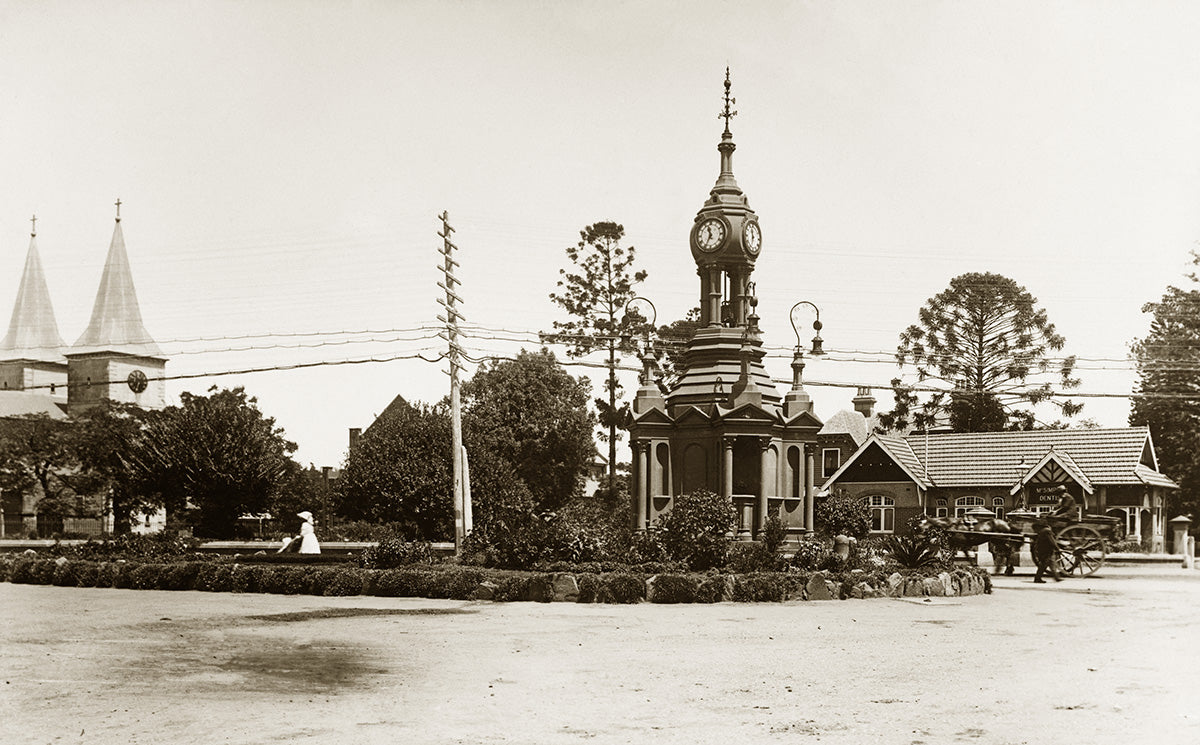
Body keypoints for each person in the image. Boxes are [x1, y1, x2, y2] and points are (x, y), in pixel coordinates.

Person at [1032, 519, 1062, 583]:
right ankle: (1037, 578)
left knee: (1051, 563)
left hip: (1043, 549)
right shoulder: (1047, 531)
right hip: (1046, 550)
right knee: (1044, 564)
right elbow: (1052, 541)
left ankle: (1057, 577)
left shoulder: (1043, 531)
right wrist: (1057, 548)